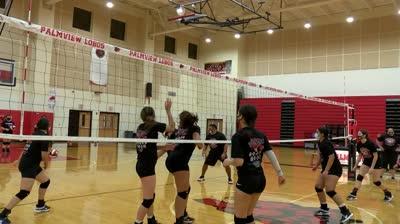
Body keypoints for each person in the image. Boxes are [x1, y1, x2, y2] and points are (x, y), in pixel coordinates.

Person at [222, 105, 285, 224]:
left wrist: (227, 162)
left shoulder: (238, 136)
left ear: (241, 116)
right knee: (248, 216)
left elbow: (238, 162)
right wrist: (280, 173)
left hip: (246, 180)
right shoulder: (261, 135)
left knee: (240, 219)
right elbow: (271, 155)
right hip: (260, 180)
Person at [0, 118, 51, 224]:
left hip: (29, 163)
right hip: (29, 165)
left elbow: (26, 149)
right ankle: (2, 215)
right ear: (48, 127)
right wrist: (47, 163)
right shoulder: (44, 137)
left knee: (45, 181)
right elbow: (44, 155)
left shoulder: (33, 134)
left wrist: (18, 161)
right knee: (24, 192)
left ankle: (40, 205)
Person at [134, 99, 175, 224]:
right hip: (146, 167)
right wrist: (168, 110)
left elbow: (149, 147)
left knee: (150, 195)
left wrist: (164, 148)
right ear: (153, 115)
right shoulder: (155, 125)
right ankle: (137, 222)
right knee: (147, 200)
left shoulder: (140, 127)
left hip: (141, 165)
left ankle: (151, 219)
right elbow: (172, 128)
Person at [165, 111, 203, 224]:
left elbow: (168, 145)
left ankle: (184, 214)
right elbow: (199, 143)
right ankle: (179, 220)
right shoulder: (194, 128)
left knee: (186, 189)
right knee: (182, 192)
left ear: (182, 120)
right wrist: (201, 144)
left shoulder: (176, 131)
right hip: (179, 162)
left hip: (170, 160)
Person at [311, 126, 353, 223]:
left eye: (317, 131)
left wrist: (326, 170)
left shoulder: (326, 143)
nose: (315, 133)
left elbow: (332, 157)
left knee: (330, 190)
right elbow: (321, 156)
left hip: (334, 169)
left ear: (322, 134)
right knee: (318, 187)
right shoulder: (320, 142)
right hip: (327, 168)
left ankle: (346, 212)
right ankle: (324, 208)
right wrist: (316, 165)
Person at [347, 129, 393, 202]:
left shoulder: (371, 143)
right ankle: (353, 193)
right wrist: (355, 166)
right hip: (366, 161)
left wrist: (372, 168)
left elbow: (376, 156)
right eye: (358, 134)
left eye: (360, 134)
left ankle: (388, 193)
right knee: (359, 177)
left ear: (364, 135)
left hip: (376, 163)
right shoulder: (359, 144)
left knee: (376, 181)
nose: (358, 135)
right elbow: (360, 155)